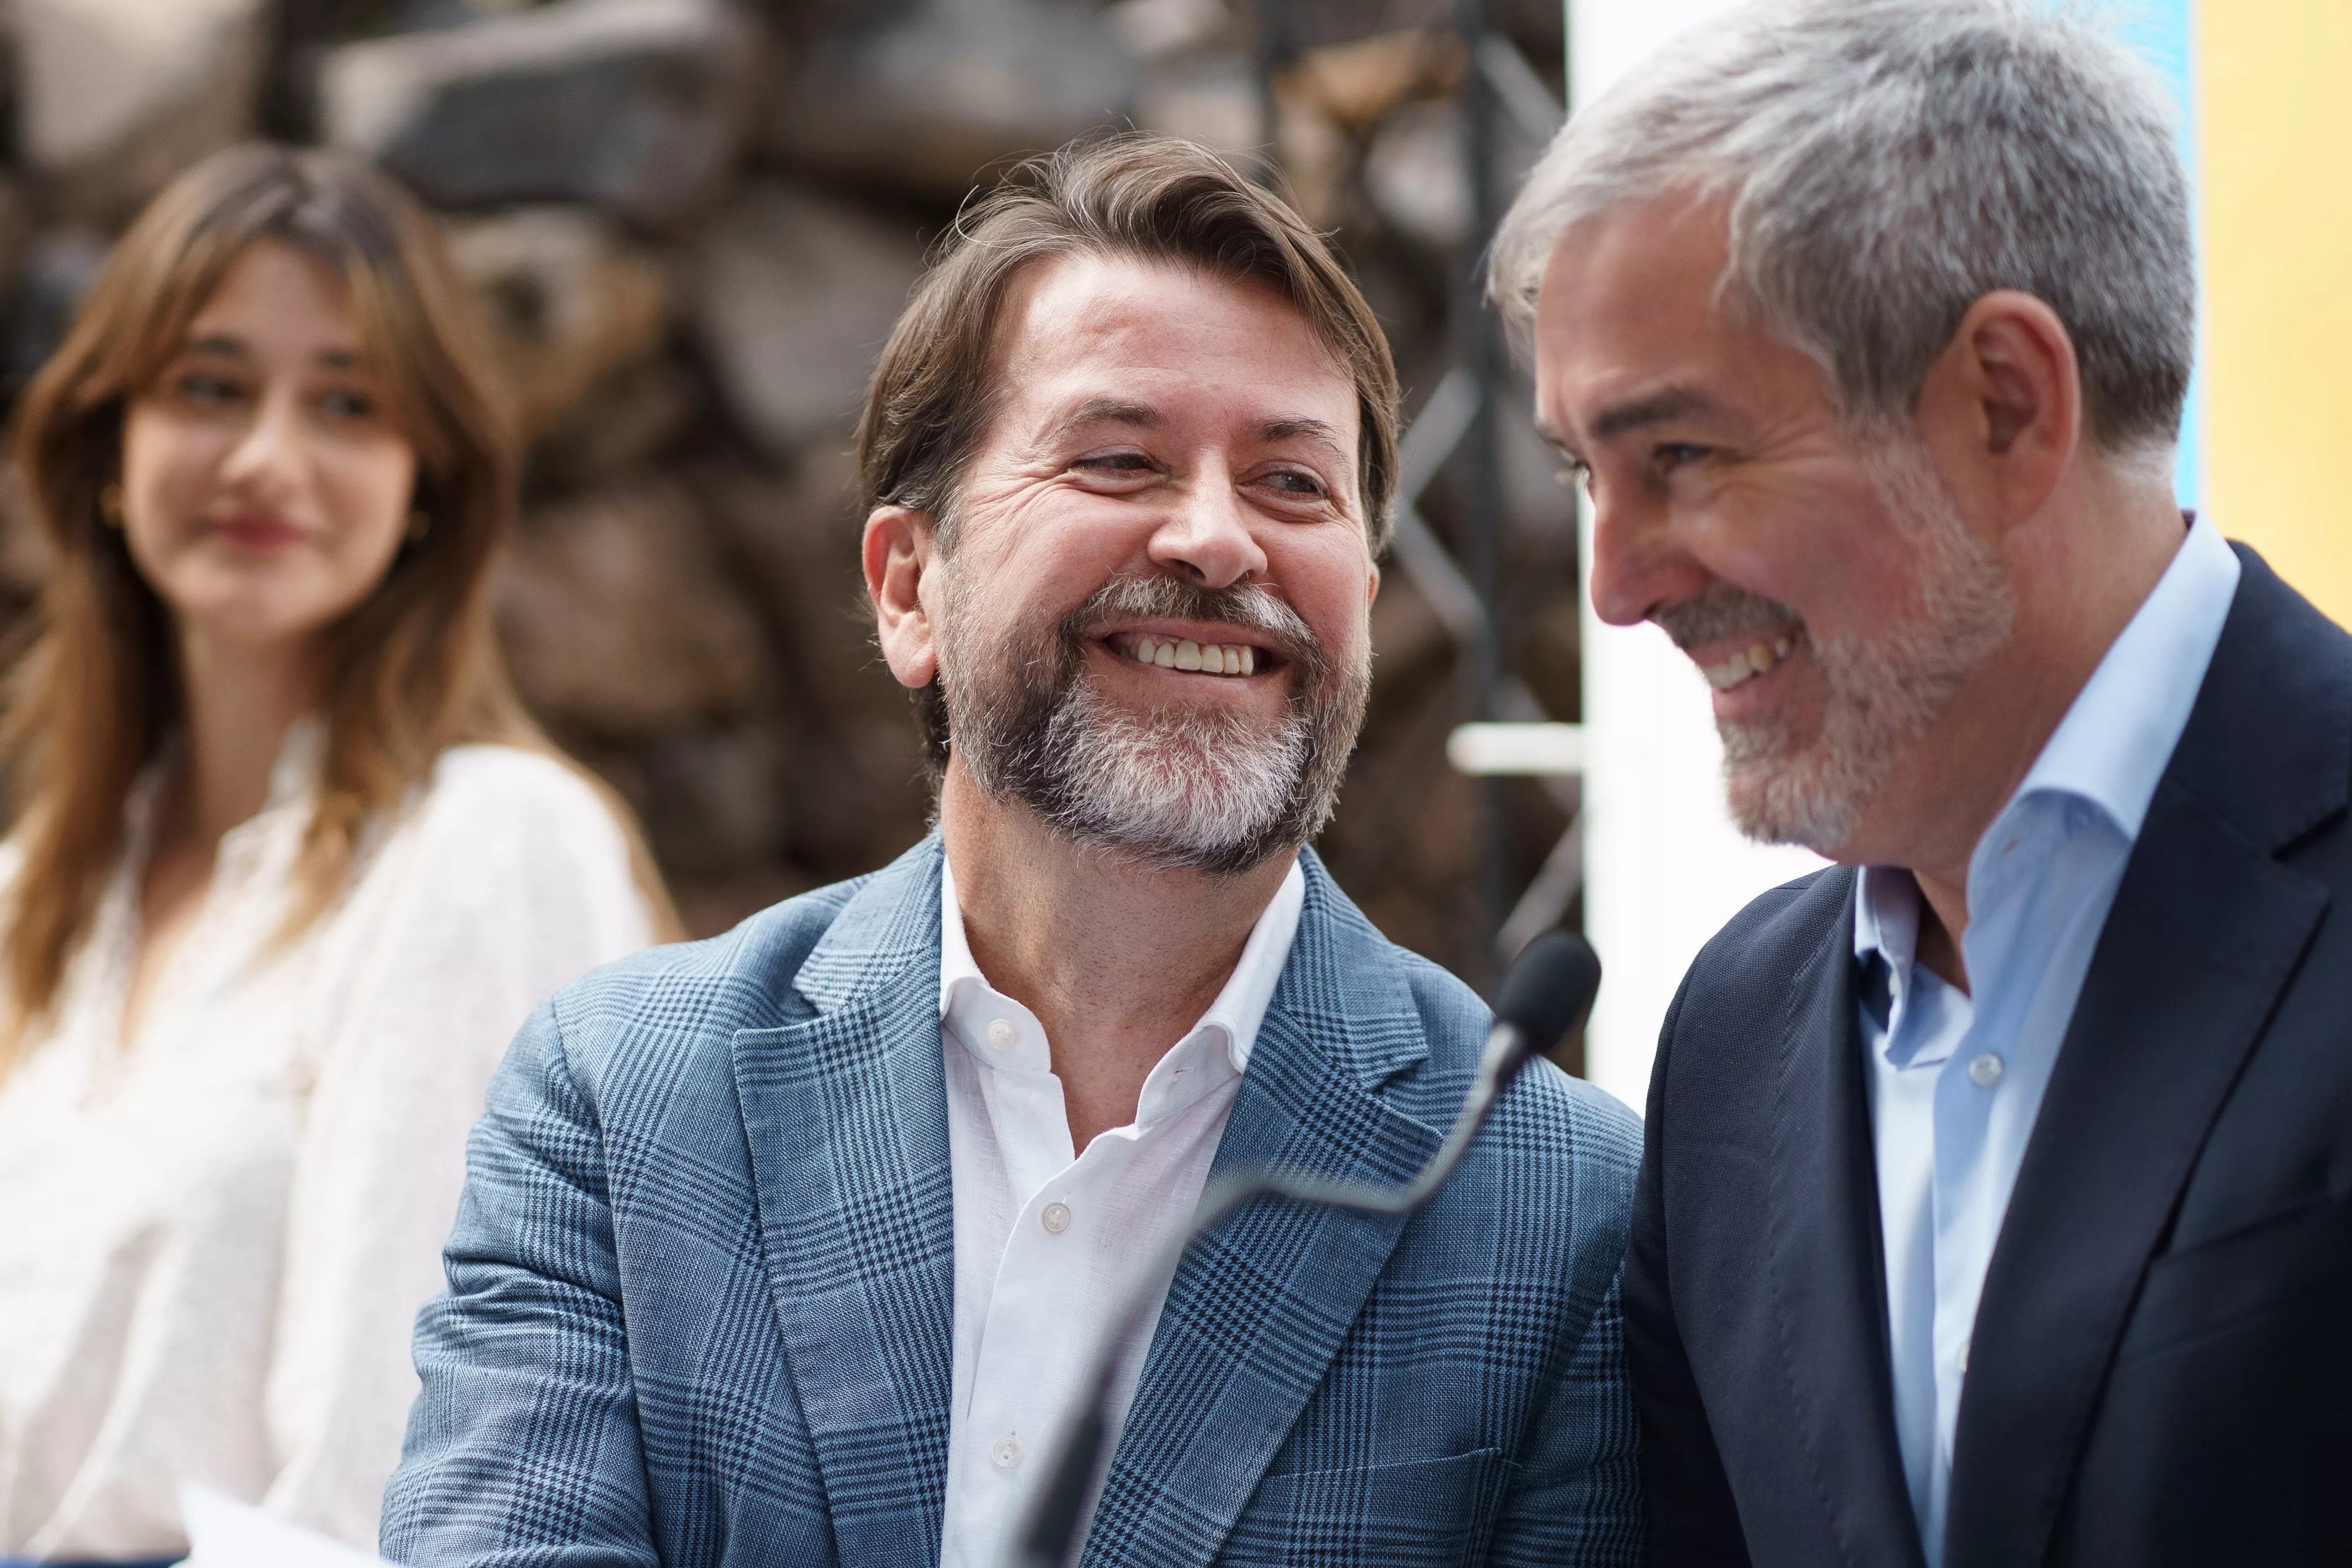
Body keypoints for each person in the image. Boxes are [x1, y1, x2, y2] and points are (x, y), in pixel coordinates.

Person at [382, 134, 1643, 1568]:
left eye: (1295, 485)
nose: (1219, 538)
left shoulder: (1563, 1202)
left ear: (1362, 587)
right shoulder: (619, 1106)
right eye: (1119, 458)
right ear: (909, 588)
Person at [1488, 1, 2352, 1564]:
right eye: (1579, 473)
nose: (1613, 585)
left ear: (2006, 401)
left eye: (1679, 452)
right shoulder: (1736, 1038)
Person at [0, 145, 676, 1560]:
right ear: (106, 446)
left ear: (426, 478)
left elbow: (421, 1483)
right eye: (209, 386)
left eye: (347, 405)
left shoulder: (486, 845)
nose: (267, 459)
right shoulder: (27, 904)